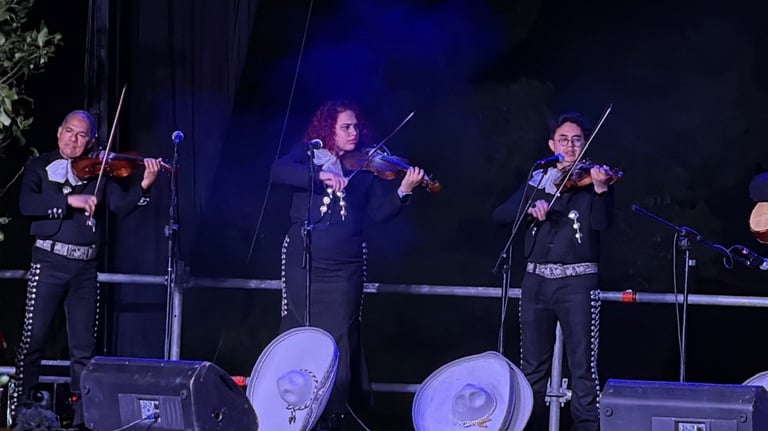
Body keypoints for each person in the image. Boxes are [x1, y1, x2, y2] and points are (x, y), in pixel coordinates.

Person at [270, 100, 424, 431]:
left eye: (356, 127)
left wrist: (403, 190)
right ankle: (288, 409)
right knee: (297, 325)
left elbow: (378, 216)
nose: (354, 132)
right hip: (304, 259)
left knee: (340, 334)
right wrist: (320, 174)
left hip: (345, 265)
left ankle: (337, 413)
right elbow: (278, 171)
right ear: (329, 129)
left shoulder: (364, 167)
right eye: (346, 127)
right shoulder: (307, 154)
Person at [11, 110, 162, 428]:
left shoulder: (99, 175)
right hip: (49, 262)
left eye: (82, 136)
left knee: (83, 350)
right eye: (69, 131)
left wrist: (144, 186)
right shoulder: (39, 166)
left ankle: (83, 420)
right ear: (58, 132)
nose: (74, 140)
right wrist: (70, 201)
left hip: (84, 269)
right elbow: (26, 205)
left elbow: (121, 207)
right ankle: (23, 411)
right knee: (33, 339)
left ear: (91, 141)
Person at [492, 112, 614, 431]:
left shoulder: (592, 182)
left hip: (578, 284)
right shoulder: (539, 179)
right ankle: (528, 426)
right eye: (563, 140)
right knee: (532, 369)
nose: (570, 146)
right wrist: (532, 209)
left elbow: (602, 224)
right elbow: (499, 215)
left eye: (576, 140)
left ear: (585, 144)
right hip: (535, 283)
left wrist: (601, 190)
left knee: (583, 368)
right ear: (552, 144)